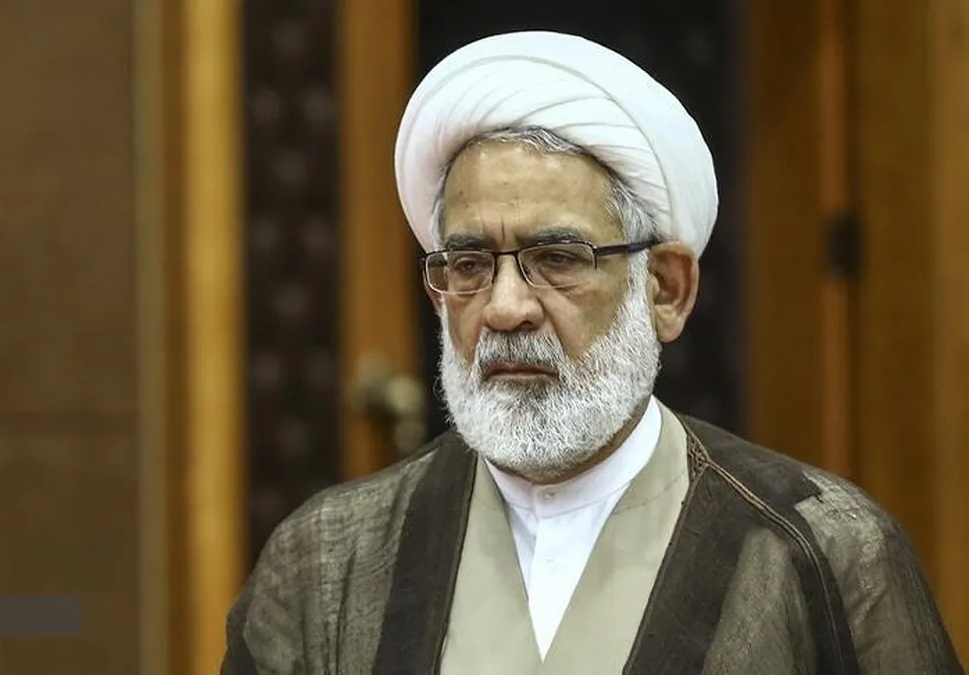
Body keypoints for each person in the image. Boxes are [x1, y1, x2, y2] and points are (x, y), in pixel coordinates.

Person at [222, 31, 962, 674]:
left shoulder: (820, 549)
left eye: (557, 258)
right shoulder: (327, 561)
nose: (505, 308)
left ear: (666, 289)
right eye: (470, 264)